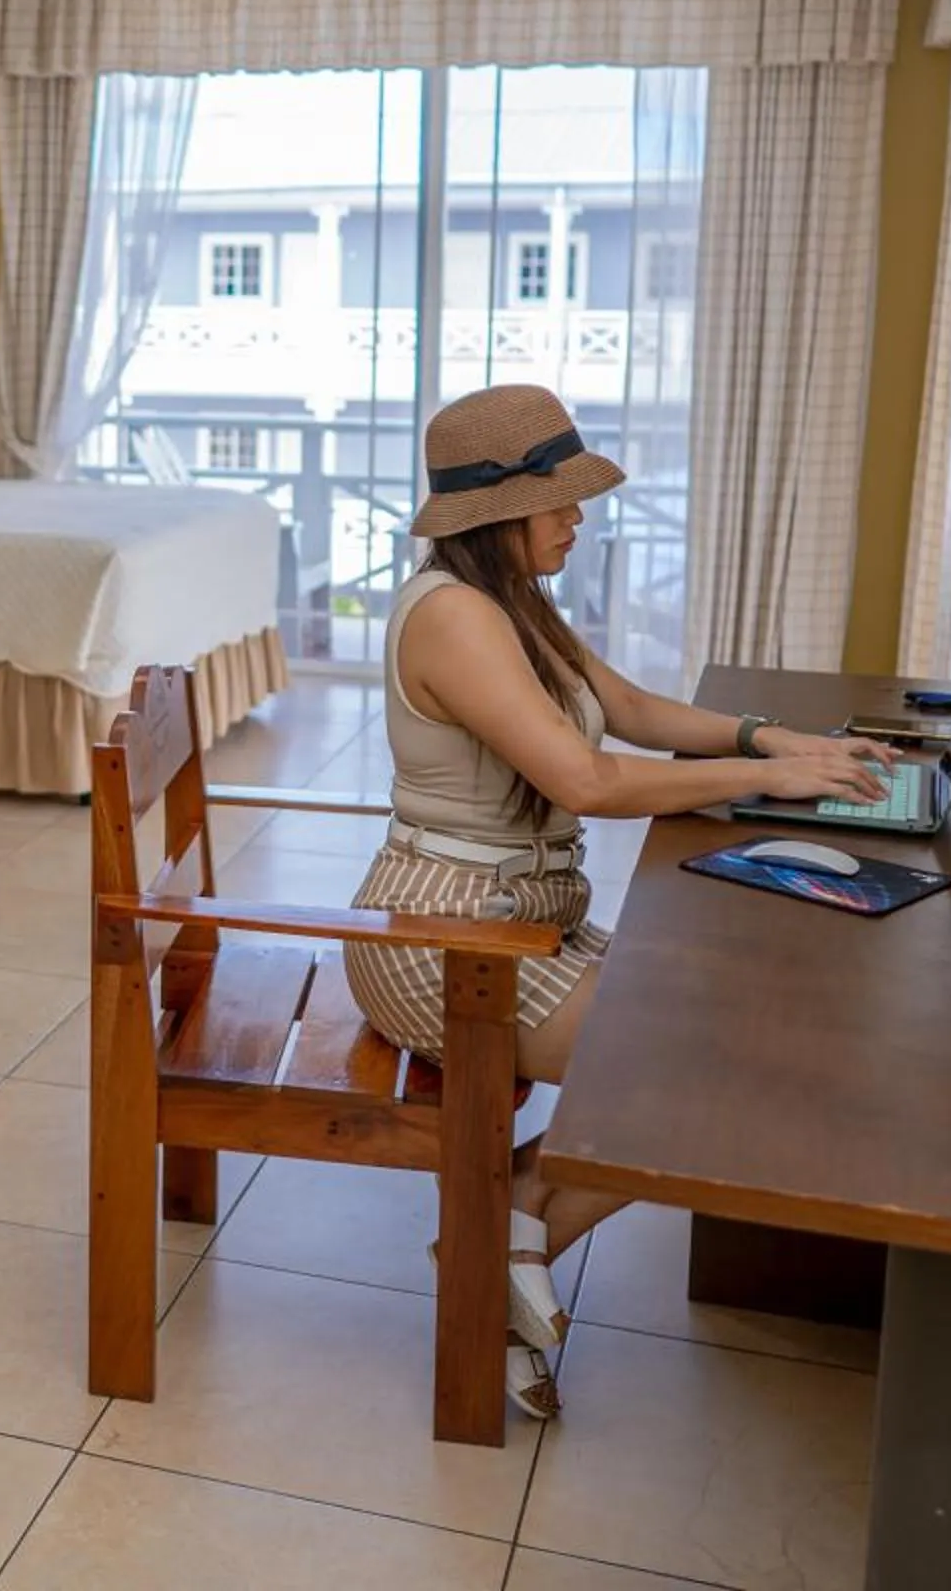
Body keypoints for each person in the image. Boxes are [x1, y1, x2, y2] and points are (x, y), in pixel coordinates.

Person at [346, 384, 893, 1420]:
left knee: (723, 1040)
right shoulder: (455, 616)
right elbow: (587, 779)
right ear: (500, 511)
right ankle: (498, 1244)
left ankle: (503, 1229)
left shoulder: (510, 600)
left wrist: (768, 737)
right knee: (704, 1072)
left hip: (520, 921)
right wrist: (766, 779)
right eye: (559, 498)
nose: (578, 515)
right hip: (444, 941)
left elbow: (627, 707)